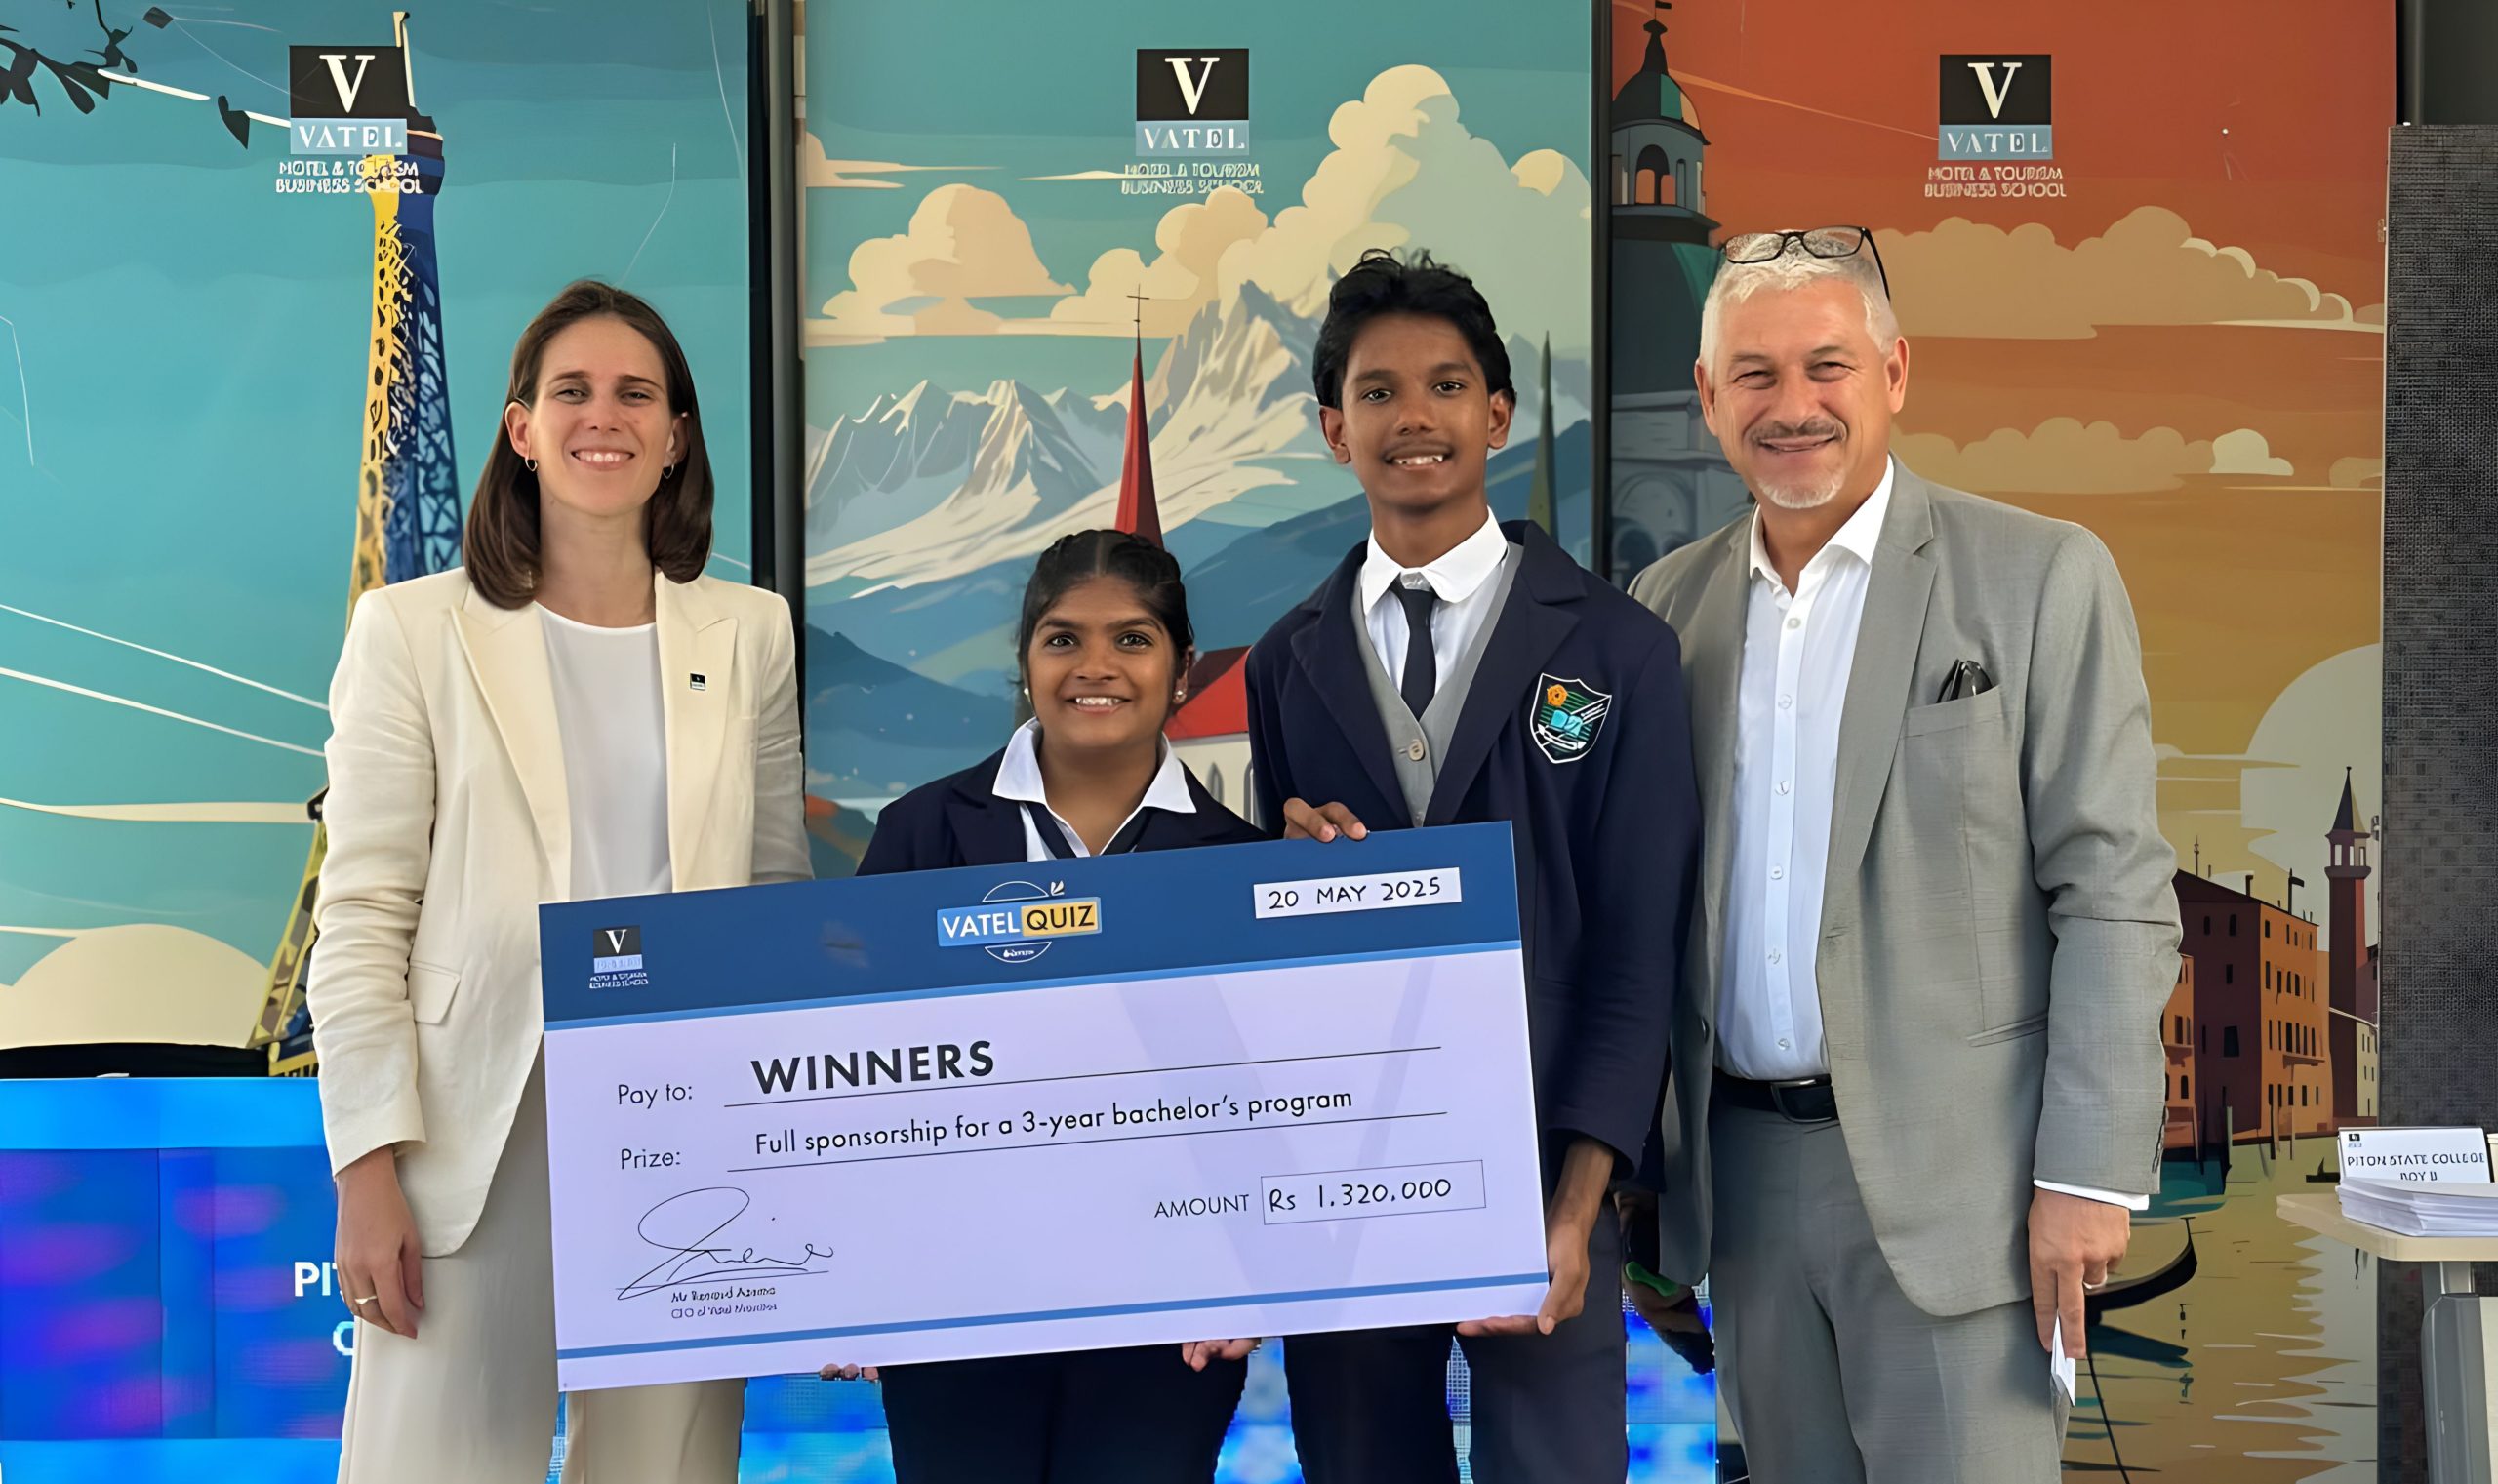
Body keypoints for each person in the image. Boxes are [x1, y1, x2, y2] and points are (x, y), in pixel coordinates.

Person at [1628, 226, 2180, 1482]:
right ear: (1709, 398)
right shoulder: (1663, 612)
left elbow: (2112, 892)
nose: (1793, 405)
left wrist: (2088, 1175)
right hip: (1743, 1196)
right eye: (1754, 374)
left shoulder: (2038, 577)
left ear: (1893, 373)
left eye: (1826, 365)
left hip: (1971, 1198)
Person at [311, 280, 810, 1483]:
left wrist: (793, 1157)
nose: (604, 416)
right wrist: (366, 1169)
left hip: (690, 1122)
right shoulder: (410, 631)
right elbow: (364, 913)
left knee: (667, 1463)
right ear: (521, 429)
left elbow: (776, 901)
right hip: (476, 1121)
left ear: (676, 435)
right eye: (571, 391)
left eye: (636, 394)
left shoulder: (749, 633)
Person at [1240, 248, 1699, 1483]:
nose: (1414, 418)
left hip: (1548, 1172)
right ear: (1333, 430)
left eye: (1446, 387)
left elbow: (1636, 953)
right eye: (1377, 393)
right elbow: (1279, 961)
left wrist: (1577, 1207)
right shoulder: (1287, 662)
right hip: (1347, 1184)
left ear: (1495, 415)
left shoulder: (1620, 650)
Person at [834, 528, 1261, 1484]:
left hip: (1169, 1310)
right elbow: (855, 1070)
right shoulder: (924, 832)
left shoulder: (1241, 860)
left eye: (1132, 639)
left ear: (1182, 668)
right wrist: (852, 1271)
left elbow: (1266, 1095)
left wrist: (1253, 1267)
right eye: (1063, 638)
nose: (1095, 665)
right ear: (1025, 663)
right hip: (954, 1300)